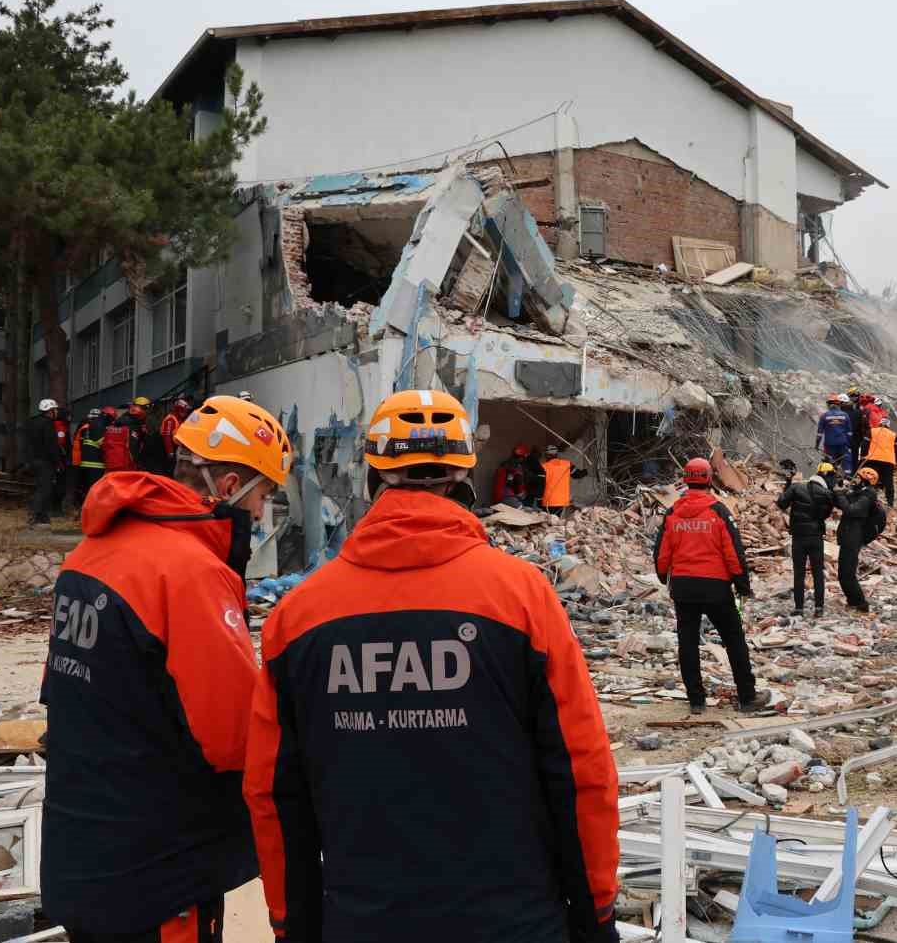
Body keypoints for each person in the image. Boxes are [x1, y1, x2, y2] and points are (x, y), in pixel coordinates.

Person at [243, 389, 619, 943]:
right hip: (513, 924)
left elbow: (275, 795)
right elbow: (581, 770)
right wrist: (595, 915)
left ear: (373, 479)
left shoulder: (295, 618)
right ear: (464, 480)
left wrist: (292, 925)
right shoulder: (522, 597)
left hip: (362, 924)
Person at [41, 395, 292, 943]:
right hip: (159, 868)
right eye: (264, 497)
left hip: (85, 846)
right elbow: (233, 738)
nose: (258, 515)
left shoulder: (91, 552)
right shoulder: (191, 573)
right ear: (229, 486)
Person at [654, 458, 765, 713]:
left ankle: (696, 700)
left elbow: (662, 553)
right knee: (734, 640)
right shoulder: (718, 511)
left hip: (683, 588)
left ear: (686, 478)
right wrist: (742, 584)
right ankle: (747, 697)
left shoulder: (672, 513)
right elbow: (733, 553)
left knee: (688, 642)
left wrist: (663, 577)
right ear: (708, 478)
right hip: (716, 587)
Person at [777, 461, 838, 618]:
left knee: (799, 572)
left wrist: (788, 484)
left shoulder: (797, 488)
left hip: (798, 537)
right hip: (816, 537)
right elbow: (825, 515)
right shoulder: (827, 494)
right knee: (818, 572)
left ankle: (799, 608)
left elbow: (781, 503)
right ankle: (819, 608)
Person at [833, 467, 882, 613]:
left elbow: (852, 510)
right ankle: (853, 601)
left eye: (858, 478)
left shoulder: (868, 495)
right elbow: (842, 503)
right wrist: (838, 491)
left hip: (853, 536)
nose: (855, 480)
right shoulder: (859, 493)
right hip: (848, 535)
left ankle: (861, 604)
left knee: (847, 573)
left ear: (865, 480)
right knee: (843, 573)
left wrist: (841, 495)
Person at [26, 399, 65, 528]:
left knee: (41, 487)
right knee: (45, 489)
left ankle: (42, 517)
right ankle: (34, 515)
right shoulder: (48, 424)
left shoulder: (32, 422)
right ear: (50, 411)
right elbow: (51, 445)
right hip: (45, 462)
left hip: (34, 460)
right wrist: (58, 462)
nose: (56, 412)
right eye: (55, 410)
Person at [536, 443, 589, 516]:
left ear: (546, 455)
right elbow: (578, 475)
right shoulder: (567, 464)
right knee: (556, 520)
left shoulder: (543, 467)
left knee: (548, 522)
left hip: (548, 501)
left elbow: (540, 485)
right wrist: (586, 471)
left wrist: (539, 500)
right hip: (561, 501)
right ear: (556, 454)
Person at [70, 408, 106, 509]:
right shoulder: (93, 427)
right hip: (90, 462)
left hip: (81, 461)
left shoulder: (84, 426)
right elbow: (101, 444)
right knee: (90, 488)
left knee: (84, 486)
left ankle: (82, 507)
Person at [862, 419, 897, 508]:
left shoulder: (872, 431)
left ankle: (865, 497)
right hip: (888, 461)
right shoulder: (894, 435)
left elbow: (864, 444)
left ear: (879, 424)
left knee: (869, 478)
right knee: (888, 482)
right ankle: (890, 502)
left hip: (872, 459)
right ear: (889, 426)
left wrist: (863, 456)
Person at [815, 395, 854, 474]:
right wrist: (849, 445)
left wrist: (816, 445)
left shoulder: (824, 416)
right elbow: (849, 433)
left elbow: (819, 434)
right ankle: (847, 479)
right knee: (846, 462)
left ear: (828, 405)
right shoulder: (845, 415)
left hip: (830, 444)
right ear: (838, 405)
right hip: (843, 443)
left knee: (829, 463)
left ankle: (830, 477)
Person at [159, 396, 191, 460]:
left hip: (174, 447)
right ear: (179, 410)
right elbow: (167, 436)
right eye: (184, 410)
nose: (185, 412)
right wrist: (170, 451)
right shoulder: (170, 419)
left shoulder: (179, 419)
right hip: (167, 447)